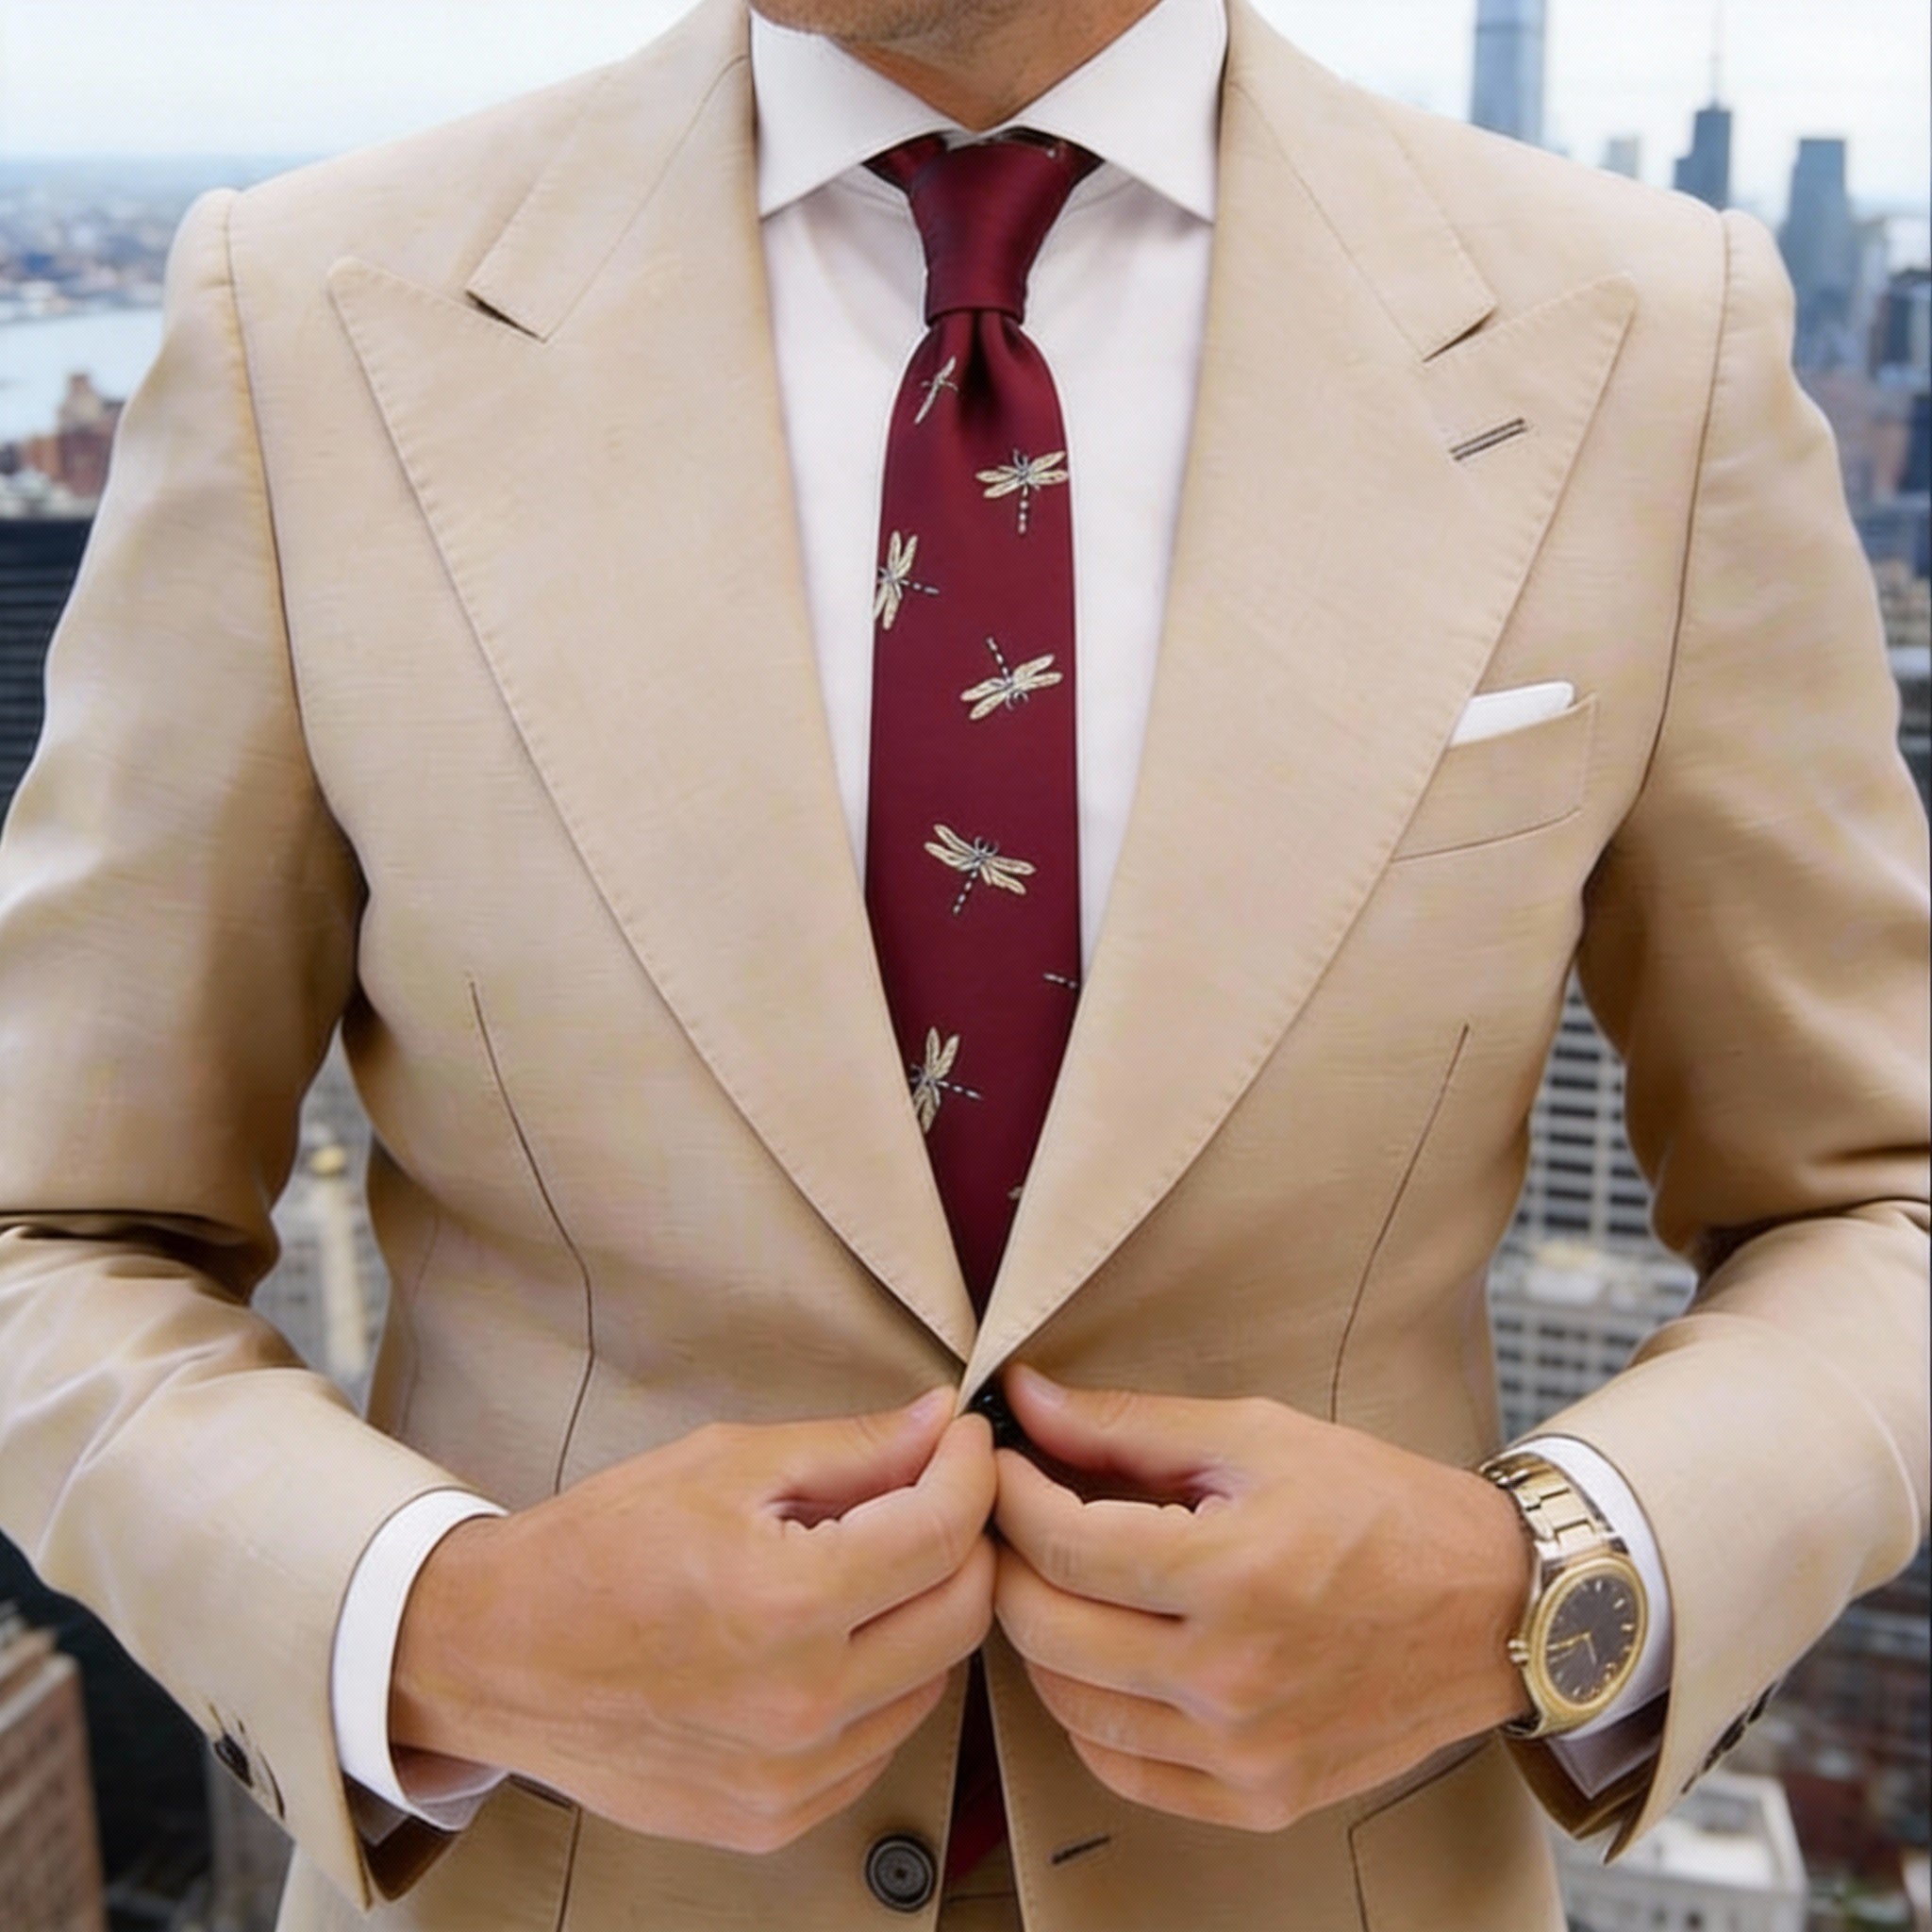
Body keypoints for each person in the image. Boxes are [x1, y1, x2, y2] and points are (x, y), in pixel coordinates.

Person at [0, 0, 1924, 1924]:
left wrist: (1542, 1588)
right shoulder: (308, 317)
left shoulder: (1643, 336)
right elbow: (50, 1230)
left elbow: (1878, 1202)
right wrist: (444, 1625)